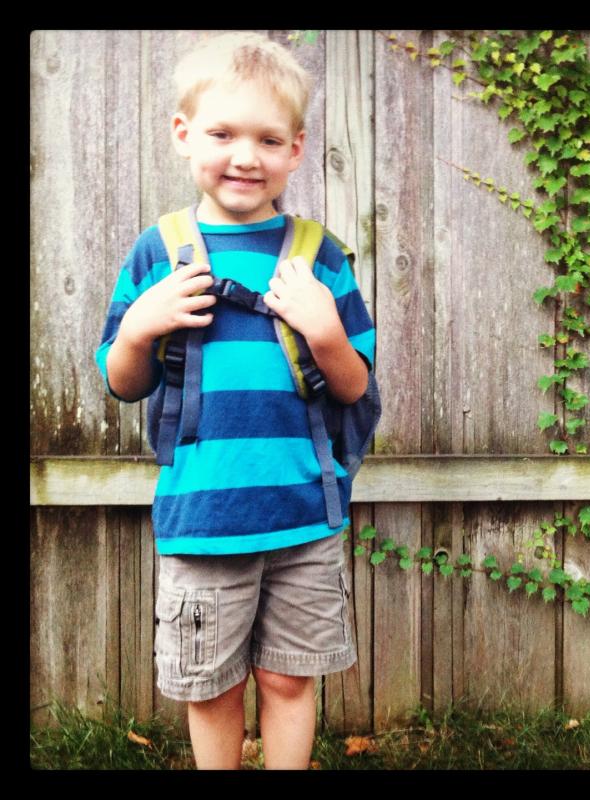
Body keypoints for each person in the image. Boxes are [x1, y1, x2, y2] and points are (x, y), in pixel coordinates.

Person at [94, 32, 375, 770]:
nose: (246, 156)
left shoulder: (320, 256)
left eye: (268, 139)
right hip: (203, 519)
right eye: (223, 134)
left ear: (296, 149)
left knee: (288, 679)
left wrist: (325, 331)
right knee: (213, 688)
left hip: (303, 514)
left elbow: (356, 387)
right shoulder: (159, 253)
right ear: (184, 134)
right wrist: (141, 327)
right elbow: (123, 382)